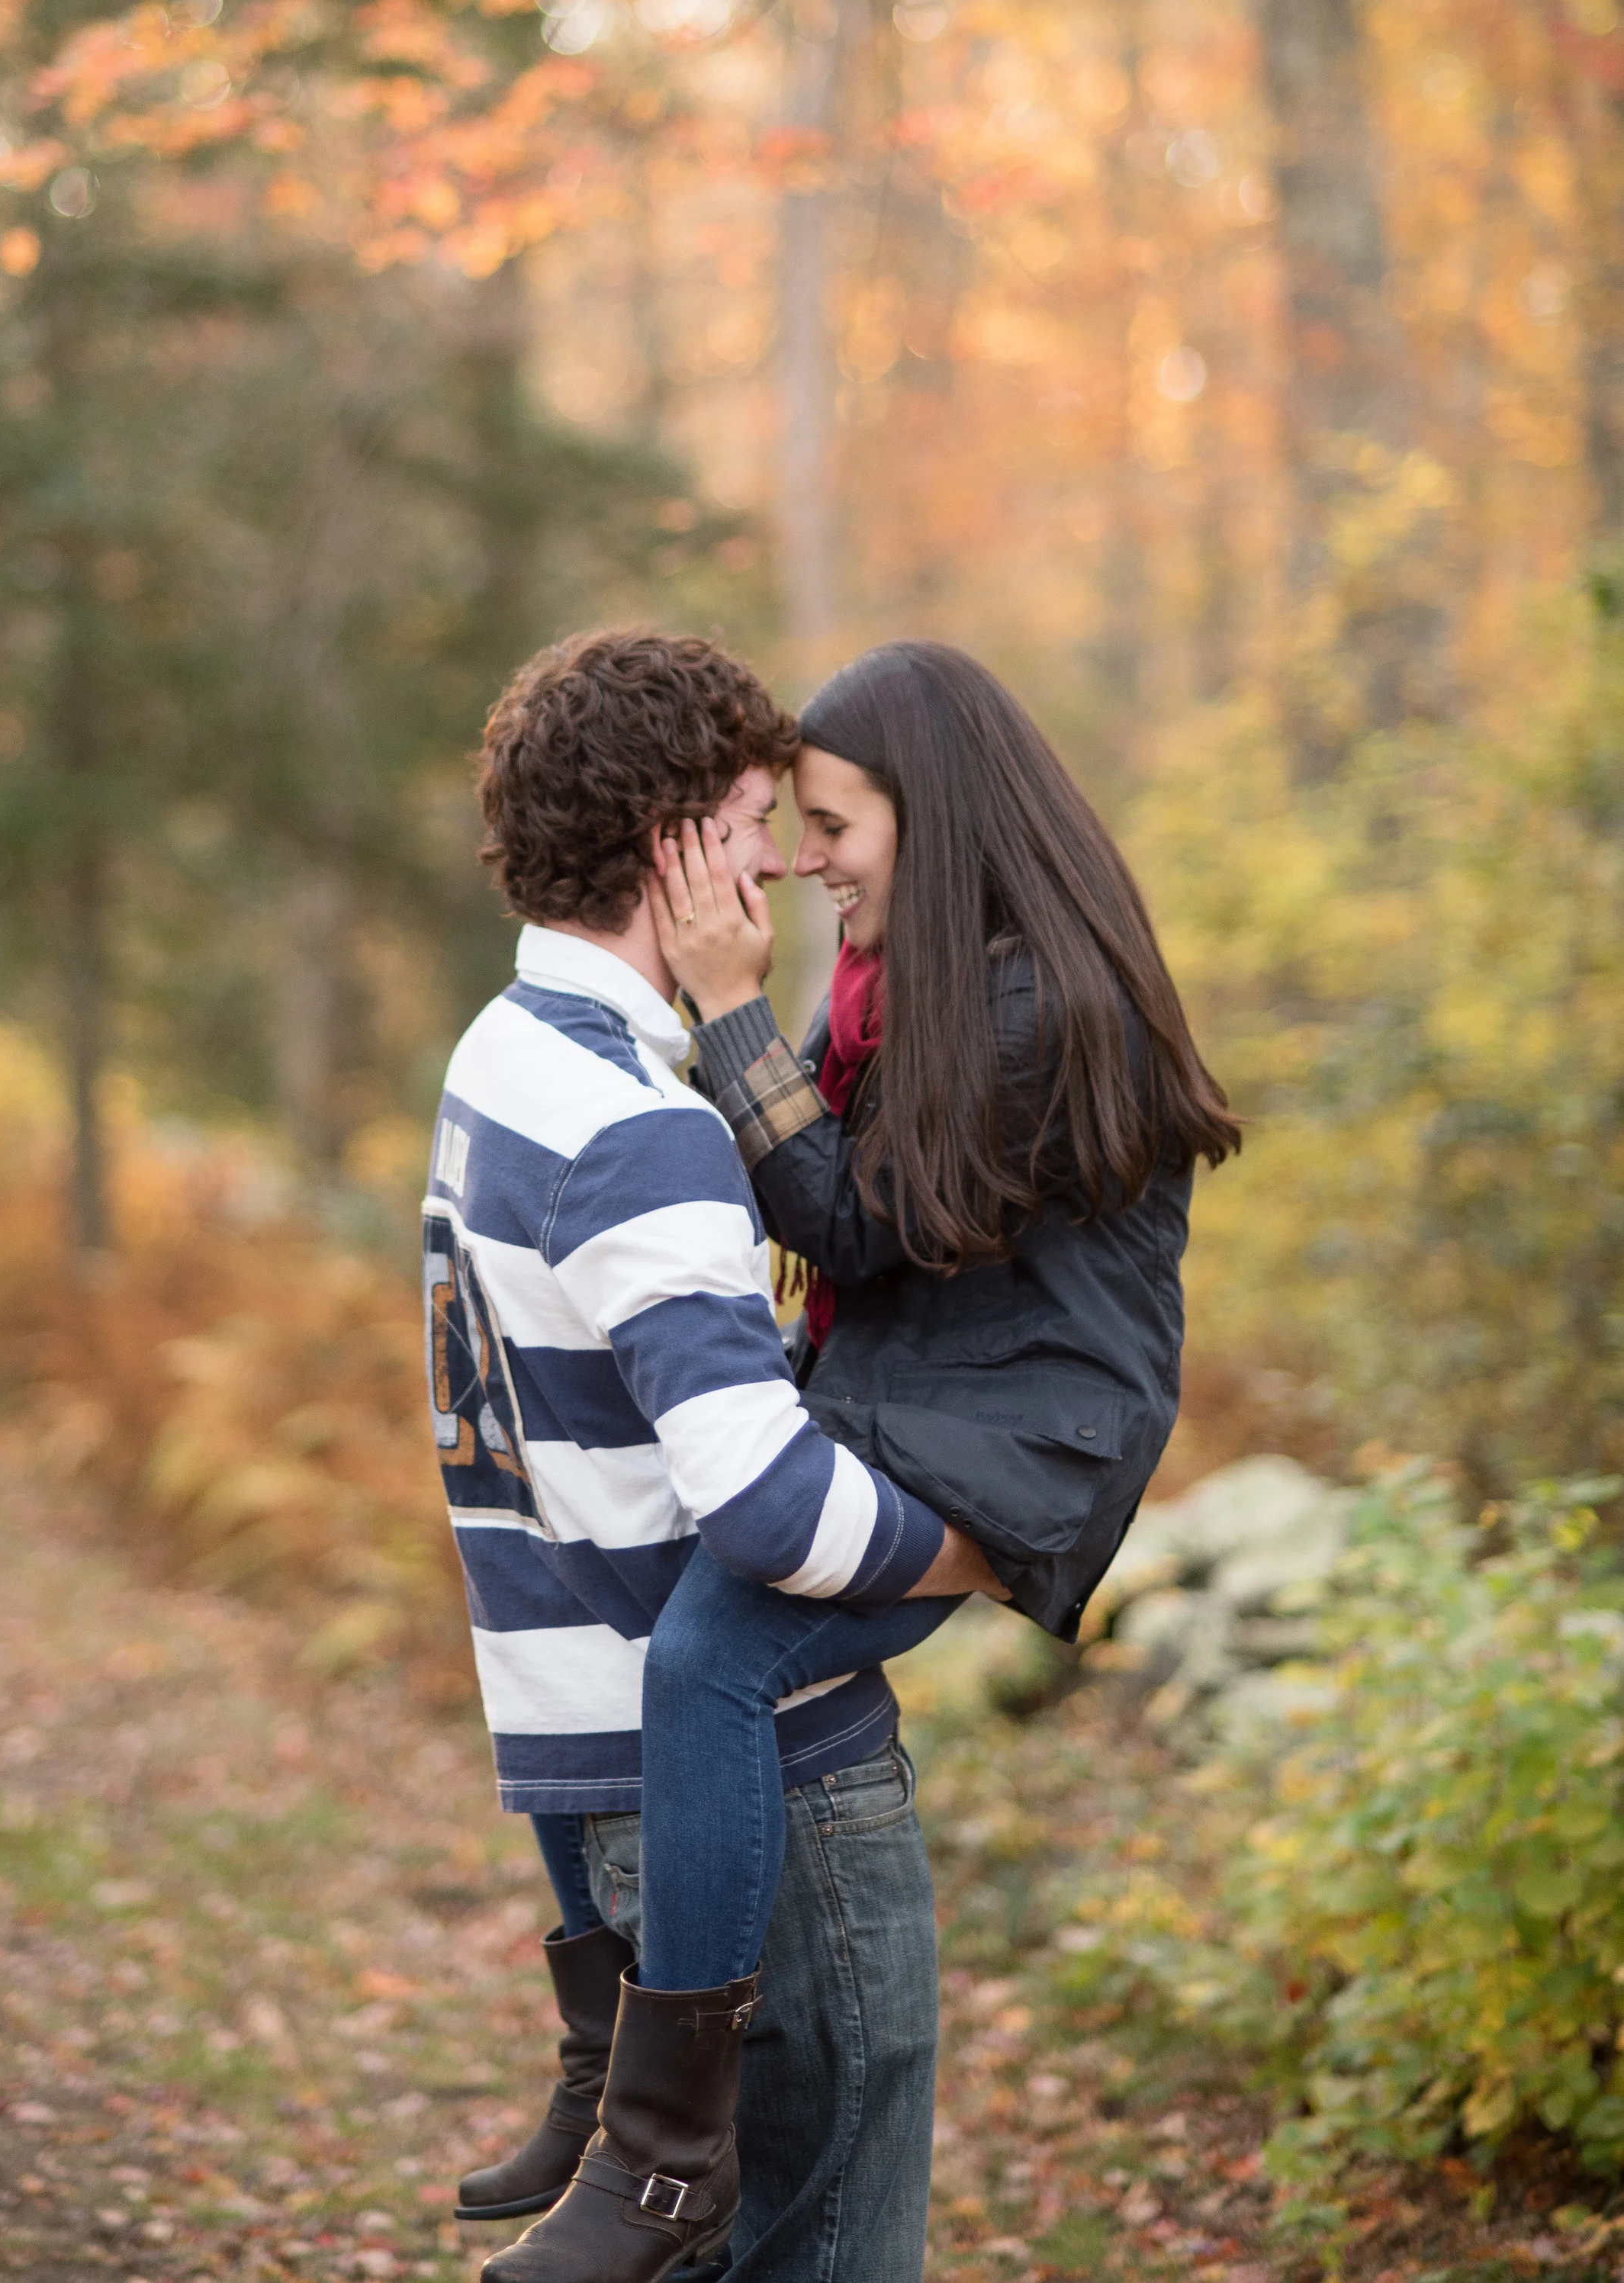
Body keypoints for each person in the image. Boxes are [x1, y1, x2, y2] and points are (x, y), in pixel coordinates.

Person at [503, 638, 1239, 2278]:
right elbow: (845, 1207)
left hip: (1017, 1432)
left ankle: (662, 2143)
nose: (805, 861)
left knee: (706, 1651)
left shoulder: (1036, 1005)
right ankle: (609, 2068)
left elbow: (850, 1218)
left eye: (833, 826)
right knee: (617, 1576)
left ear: (935, 811)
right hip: (917, 1391)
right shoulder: (919, 978)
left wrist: (721, 1009)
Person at [425, 628, 1001, 2283]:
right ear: (674, 845)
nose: (780, 865)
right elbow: (766, 1506)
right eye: (754, 824)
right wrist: (978, 1541)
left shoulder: (500, 1060)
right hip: (772, 1810)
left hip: (614, 1786)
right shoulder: (643, 1130)